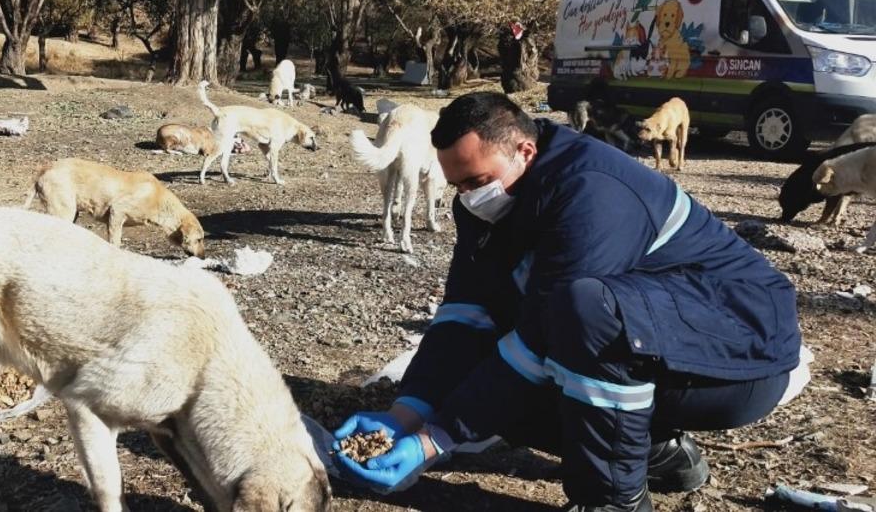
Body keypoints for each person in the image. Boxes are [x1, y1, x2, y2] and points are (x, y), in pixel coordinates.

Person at [333, 93, 802, 512]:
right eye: (457, 185)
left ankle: (613, 501)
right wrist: (407, 412)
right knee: (500, 373)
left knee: (576, 318)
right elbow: (464, 310)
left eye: (476, 181)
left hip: (740, 354)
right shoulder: (488, 199)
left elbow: (547, 333)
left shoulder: (590, 190)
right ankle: (661, 452)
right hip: (659, 339)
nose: (467, 198)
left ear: (526, 151)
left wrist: (437, 437)